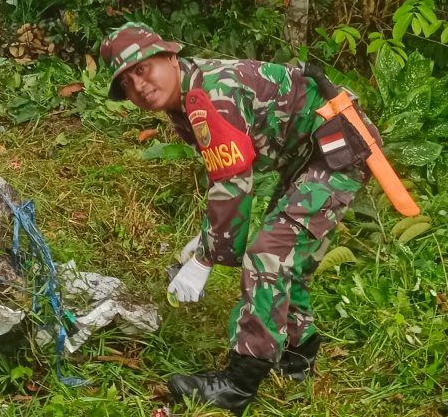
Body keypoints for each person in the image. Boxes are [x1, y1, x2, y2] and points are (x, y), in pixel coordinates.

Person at [98, 23, 375, 414]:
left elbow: (233, 182)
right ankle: (297, 353)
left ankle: (238, 384)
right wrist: (209, 236)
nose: (139, 86)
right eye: (126, 83)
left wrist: (204, 260)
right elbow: (226, 169)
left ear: (170, 57)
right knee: (284, 253)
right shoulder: (187, 97)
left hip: (335, 150)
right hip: (305, 155)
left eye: (143, 69)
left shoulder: (211, 93)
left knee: (269, 254)